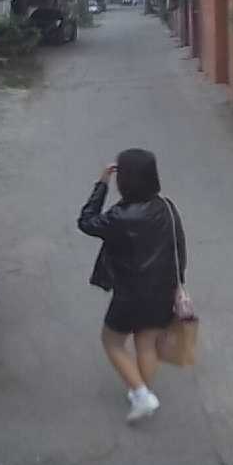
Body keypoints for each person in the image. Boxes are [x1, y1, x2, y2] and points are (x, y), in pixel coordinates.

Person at [77, 148, 186, 423]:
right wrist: (179, 285)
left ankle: (141, 395)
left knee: (112, 341)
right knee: (146, 343)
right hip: (162, 292)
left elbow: (86, 222)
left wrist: (101, 183)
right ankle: (141, 391)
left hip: (130, 296)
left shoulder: (119, 217)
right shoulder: (166, 207)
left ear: (124, 180)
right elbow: (178, 248)